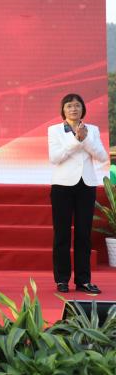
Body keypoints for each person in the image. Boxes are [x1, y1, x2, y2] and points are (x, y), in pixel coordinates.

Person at [47, 93, 107, 295]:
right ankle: (62, 280)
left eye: (77, 105)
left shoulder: (93, 130)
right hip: (62, 186)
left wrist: (85, 138)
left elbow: (102, 156)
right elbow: (55, 158)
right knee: (62, 234)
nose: (74, 109)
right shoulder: (54, 130)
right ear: (63, 110)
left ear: (83, 109)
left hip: (86, 185)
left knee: (84, 234)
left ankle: (83, 280)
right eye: (69, 106)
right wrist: (76, 140)